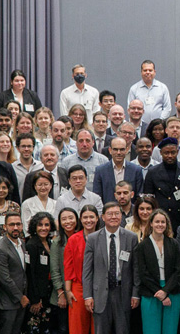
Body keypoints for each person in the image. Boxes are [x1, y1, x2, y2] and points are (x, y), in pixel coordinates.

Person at [84, 202, 140, 334]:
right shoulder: (93, 238)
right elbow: (87, 270)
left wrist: (135, 294)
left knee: (123, 330)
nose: (113, 217)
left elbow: (136, 269)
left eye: (117, 214)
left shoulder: (131, 238)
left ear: (121, 216)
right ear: (102, 217)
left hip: (123, 292)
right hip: (100, 294)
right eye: (109, 214)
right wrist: (87, 296)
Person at [135, 209, 180, 334]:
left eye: (163, 222)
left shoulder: (174, 244)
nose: (160, 225)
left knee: (170, 330)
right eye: (157, 222)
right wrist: (160, 293)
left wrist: (165, 291)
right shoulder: (142, 246)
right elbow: (143, 273)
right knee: (151, 330)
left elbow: (178, 271)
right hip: (151, 293)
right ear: (150, 223)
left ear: (167, 224)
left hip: (172, 291)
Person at [143, 138, 180, 230]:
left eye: (173, 152)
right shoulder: (153, 172)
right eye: (166, 153)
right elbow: (149, 198)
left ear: (177, 151)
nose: (170, 156)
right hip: (161, 219)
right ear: (161, 153)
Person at [0, 212, 28, 334]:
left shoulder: (22, 243)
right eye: (12, 224)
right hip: (8, 302)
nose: (15, 227)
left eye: (18, 224)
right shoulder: (1, 248)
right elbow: (4, 278)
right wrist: (20, 297)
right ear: (5, 227)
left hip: (21, 299)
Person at [65, 205, 100, 334]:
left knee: (98, 326)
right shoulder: (73, 239)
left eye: (91, 217)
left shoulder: (104, 237)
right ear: (80, 219)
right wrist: (68, 291)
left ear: (97, 218)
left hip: (100, 287)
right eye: (85, 217)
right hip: (78, 288)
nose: (88, 220)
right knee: (78, 327)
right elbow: (68, 267)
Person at [25, 212, 55, 332]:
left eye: (46, 225)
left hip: (48, 293)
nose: (44, 228)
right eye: (40, 225)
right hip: (37, 297)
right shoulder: (31, 245)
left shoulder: (49, 242)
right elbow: (30, 274)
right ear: (34, 227)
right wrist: (35, 300)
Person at [92, 137, 145, 204]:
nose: (119, 152)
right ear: (110, 150)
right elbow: (97, 196)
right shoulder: (100, 171)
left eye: (122, 149)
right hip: (108, 212)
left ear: (127, 150)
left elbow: (139, 196)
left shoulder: (136, 170)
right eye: (115, 149)